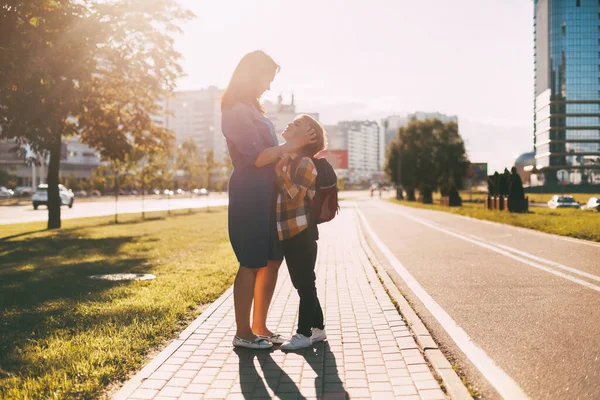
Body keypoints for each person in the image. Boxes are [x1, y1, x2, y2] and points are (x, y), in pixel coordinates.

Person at [221, 51, 316, 349]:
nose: (269, 86)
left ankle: (259, 327)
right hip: (250, 195)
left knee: (272, 261)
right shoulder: (236, 111)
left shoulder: (254, 109)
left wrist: (298, 153)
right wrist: (292, 144)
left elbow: (273, 154)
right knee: (250, 262)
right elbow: (257, 157)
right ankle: (243, 333)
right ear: (253, 74)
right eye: (268, 78)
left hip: (269, 196)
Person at [274, 115, 328, 351]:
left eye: (295, 124)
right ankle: (319, 329)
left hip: (302, 232)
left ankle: (304, 333)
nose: (289, 125)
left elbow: (295, 195)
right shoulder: (289, 160)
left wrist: (280, 173)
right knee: (302, 284)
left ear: (306, 137)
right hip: (288, 232)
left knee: (306, 284)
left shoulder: (306, 163)